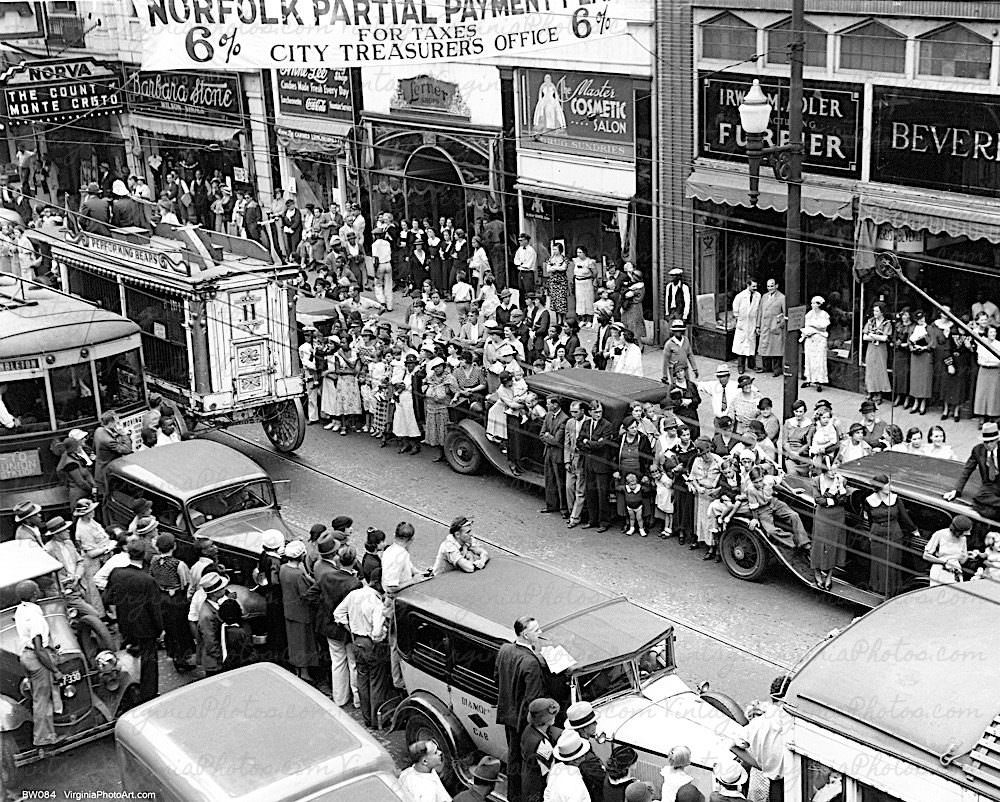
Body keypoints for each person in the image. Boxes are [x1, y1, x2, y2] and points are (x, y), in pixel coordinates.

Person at [496, 615, 550, 802]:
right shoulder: (531, 663)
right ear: (525, 635)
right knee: (527, 765)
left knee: (513, 758)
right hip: (523, 722)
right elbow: (534, 701)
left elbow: (498, 677)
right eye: (536, 630)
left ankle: (513, 795)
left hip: (508, 714)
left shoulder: (505, 650)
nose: (540, 632)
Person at [106, 537, 163, 702]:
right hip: (146, 627)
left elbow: (108, 598)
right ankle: (149, 694)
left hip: (125, 623)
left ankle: (126, 686)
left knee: (127, 654)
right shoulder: (148, 580)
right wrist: (160, 629)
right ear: (144, 554)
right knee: (149, 662)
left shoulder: (116, 573)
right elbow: (155, 609)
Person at [307, 539, 362, 707]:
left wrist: (325, 609)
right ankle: (357, 699)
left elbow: (310, 596)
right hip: (347, 629)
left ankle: (339, 698)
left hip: (329, 627)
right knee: (353, 664)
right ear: (353, 562)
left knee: (337, 662)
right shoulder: (355, 584)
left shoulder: (327, 577)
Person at [334, 567, 390, 727]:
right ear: (379, 583)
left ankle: (366, 718)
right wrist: (380, 635)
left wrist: (351, 630)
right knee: (376, 683)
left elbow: (338, 614)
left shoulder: (354, 594)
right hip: (371, 644)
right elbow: (378, 632)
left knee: (362, 680)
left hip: (356, 642)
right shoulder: (376, 602)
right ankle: (376, 720)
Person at [15, 580, 64, 746]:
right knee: (42, 699)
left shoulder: (21, 610)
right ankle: (43, 737)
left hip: (26, 656)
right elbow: (38, 647)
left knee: (40, 697)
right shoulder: (35, 616)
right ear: (35, 595)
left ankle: (48, 734)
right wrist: (55, 669)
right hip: (36, 658)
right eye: (37, 590)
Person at [865, 474, 919, 596]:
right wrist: (870, 533)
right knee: (880, 563)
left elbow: (904, 516)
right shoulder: (869, 500)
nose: (890, 486)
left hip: (894, 534)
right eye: (887, 484)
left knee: (892, 562)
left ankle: (892, 592)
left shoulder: (895, 499)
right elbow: (870, 519)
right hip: (877, 535)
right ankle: (880, 591)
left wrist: (914, 530)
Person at [149, 532, 195, 671]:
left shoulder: (154, 561)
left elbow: (152, 576)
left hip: (161, 598)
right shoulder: (179, 564)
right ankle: (182, 657)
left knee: (169, 628)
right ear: (174, 546)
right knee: (180, 629)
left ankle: (174, 653)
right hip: (176, 600)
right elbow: (187, 583)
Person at [279, 539, 317, 680]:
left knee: (294, 643)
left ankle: (297, 670)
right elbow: (306, 594)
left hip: (289, 610)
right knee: (303, 644)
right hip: (301, 613)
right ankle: (304, 674)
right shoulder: (297, 574)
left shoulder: (284, 568)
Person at [809, 458, 848, 590]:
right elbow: (818, 500)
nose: (833, 473)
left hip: (837, 516)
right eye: (830, 470)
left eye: (835, 470)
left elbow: (843, 500)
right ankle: (817, 572)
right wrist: (832, 497)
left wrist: (832, 499)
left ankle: (829, 575)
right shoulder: (817, 480)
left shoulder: (841, 480)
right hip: (823, 516)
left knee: (833, 544)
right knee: (819, 543)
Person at [579, 400, 616, 533]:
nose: (598, 414)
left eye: (600, 411)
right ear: (590, 412)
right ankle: (592, 520)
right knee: (590, 493)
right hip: (588, 464)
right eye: (595, 412)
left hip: (601, 466)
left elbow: (602, 445)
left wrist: (587, 442)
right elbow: (579, 442)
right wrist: (592, 442)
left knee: (602, 494)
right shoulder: (586, 423)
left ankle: (604, 522)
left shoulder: (607, 425)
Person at [521, 697, 562, 802]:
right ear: (546, 719)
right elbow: (550, 773)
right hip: (538, 790)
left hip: (528, 781)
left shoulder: (529, 730)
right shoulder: (542, 745)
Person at [539, 395, 570, 516]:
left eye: (548, 403)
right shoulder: (548, 416)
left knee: (559, 481)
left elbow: (558, 440)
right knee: (549, 479)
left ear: (555, 404)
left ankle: (563, 508)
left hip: (558, 455)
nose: (547, 406)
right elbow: (541, 434)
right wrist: (548, 437)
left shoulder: (564, 419)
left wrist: (548, 436)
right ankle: (551, 505)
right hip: (548, 453)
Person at [545, 730, 594, 802]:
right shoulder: (576, 784)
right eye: (583, 754)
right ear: (576, 760)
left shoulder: (555, 768)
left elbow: (547, 794)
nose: (585, 757)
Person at [924, 514, 971, 586]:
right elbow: (926, 556)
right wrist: (943, 562)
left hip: (955, 572)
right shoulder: (940, 534)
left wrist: (966, 556)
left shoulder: (963, 539)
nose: (968, 534)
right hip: (940, 570)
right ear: (958, 530)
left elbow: (962, 561)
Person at [862, 302, 892, 404]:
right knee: (870, 369)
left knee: (880, 369)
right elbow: (864, 337)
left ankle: (879, 393)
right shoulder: (870, 321)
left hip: (881, 349)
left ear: (882, 312)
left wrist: (872, 335)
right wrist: (875, 336)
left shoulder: (887, 323)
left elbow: (885, 338)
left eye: (877, 311)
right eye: (874, 311)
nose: (874, 313)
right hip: (871, 348)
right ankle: (870, 391)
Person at [756, 279, 786, 377]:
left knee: (776, 348)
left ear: (776, 286)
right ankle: (766, 367)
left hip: (774, 326)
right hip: (765, 325)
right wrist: (758, 325)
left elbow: (785, 314)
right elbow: (760, 311)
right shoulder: (764, 297)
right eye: (768, 286)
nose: (770, 288)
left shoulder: (782, 297)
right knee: (765, 347)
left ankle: (777, 369)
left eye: (772, 286)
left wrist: (779, 324)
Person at [908, 309, 935, 415]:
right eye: (919, 319)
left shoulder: (929, 328)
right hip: (915, 356)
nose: (921, 320)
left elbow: (933, 343)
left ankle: (923, 403)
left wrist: (924, 347)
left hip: (925, 356)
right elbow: (909, 340)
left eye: (922, 318)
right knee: (915, 379)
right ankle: (915, 402)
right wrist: (912, 347)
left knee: (924, 380)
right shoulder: (913, 328)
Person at [800, 296, 829, 390]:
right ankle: (809, 379)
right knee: (809, 359)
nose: (813, 305)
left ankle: (819, 380)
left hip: (819, 339)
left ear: (819, 304)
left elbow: (823, 327)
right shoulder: (809, 314)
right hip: (810, 339)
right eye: (812, 303)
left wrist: (813, 327)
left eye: (815, 303)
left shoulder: (824, 314)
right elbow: (805, 325)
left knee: (819, 360)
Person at [732, 278, 761, 374]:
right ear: (748, 286)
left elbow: (758, 310)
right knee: (741, 348)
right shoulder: (740, 296)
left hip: (752, 323)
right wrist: (739, 320)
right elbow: (735, 310)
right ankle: (741, 366)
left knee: (751, 346)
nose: (755, 288)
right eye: (753, 286)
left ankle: (752, 365)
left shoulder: (758, 296)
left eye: (756, 286)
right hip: (742, 324)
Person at [218, 597, 255, 671]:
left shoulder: (220, 627)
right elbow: (248, 650)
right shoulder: (239, 632)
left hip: (224, 665)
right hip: (239, 665)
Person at [974, 324, 1000, 424]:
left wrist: (991, 361)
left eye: (994, 332)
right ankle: (981, 417)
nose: (993, 334)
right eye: (991, 332)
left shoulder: (998, 344)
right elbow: (980, 360)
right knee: (982, 393)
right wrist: (990, 361)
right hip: (984, 370)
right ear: (987, 333)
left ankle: (992, 416)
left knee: (993, 394)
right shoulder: (982, 343)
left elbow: (998, 361)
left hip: (995, 371)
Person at [514, 233, 538, 305]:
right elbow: (516, 260)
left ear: (526, 241)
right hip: (521, 272)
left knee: (529, 292)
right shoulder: (519, 249)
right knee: (521, 292)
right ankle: (522, 309)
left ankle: (530, 309)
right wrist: (520, 263)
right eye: (519, 240)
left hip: (528, 273)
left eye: (521, 240)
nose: (520, 242)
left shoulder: (531, 251)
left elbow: (528, 264)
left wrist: (521, 264)